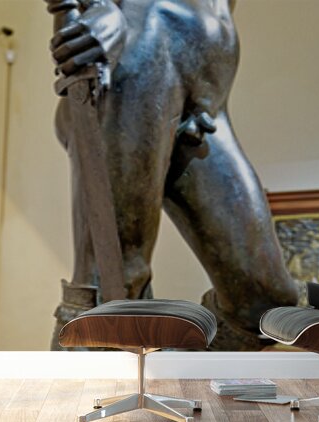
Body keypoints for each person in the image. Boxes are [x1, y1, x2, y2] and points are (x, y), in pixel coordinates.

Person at [46, 0, 298, 350]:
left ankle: (177, 376)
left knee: (263, 298)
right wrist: (94, 10)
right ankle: (79, 399)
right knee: (113, 286)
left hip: (204, 96)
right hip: (136, 59)